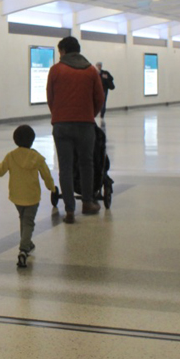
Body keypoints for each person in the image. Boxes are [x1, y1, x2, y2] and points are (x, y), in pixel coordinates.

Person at [46, 36, 105, 223]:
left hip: (61, 125)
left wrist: (58, 114)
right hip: (85, 124)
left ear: (63, 51)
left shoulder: (56, 70)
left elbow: (50, 97)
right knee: (86, 164)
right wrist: (89, 114)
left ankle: (70, 210)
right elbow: (99, 98)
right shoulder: (90, 71)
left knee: (65, 167)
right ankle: (87, 202)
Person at [0, 125, 56, 268]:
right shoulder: (37, 157)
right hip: (32, 196)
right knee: (28, 222)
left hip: (16, 196)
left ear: (15, 140)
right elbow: (46, 175)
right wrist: (52, 188)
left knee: (23, 219)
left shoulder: (11, 156)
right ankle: (23, 249)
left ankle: (28, 242)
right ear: (32, 141)